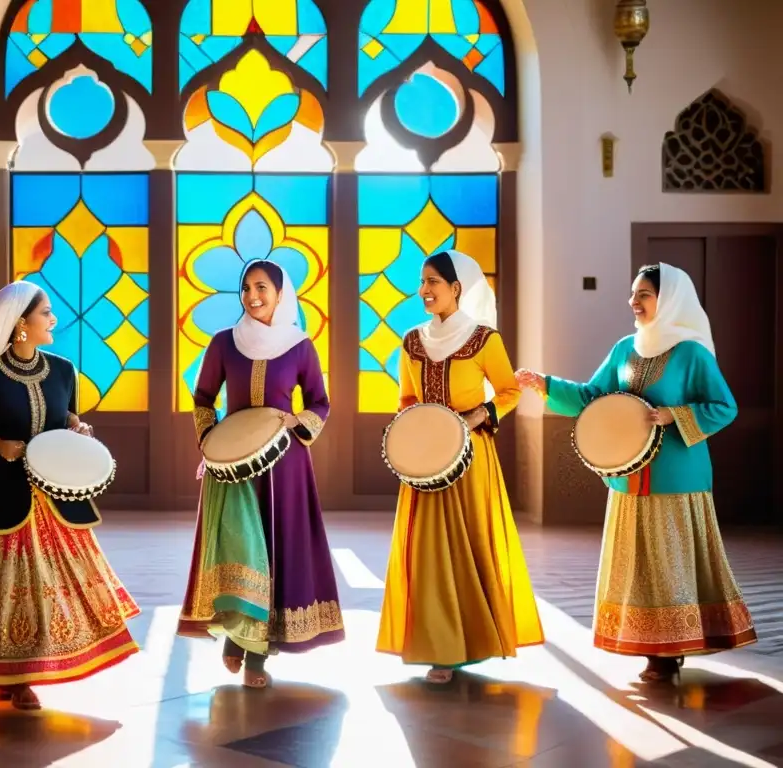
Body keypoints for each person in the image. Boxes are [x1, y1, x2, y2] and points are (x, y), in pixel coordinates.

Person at [515, 263, 756, 682]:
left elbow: (724, 407)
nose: (633, 302)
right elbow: (593, 396)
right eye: (633, 294)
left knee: (670, 563)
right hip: (628, 476)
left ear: (669, 300)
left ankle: (670, 650)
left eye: (644, 294)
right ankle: (648, 645)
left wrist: (674, 414)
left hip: (677, 477)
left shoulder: (692, 353)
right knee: (637, 566)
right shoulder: (625, 349)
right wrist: (545, 384)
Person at [0, 281, 140, 710]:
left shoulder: (63, 370)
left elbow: (67, 416)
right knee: (11, 587)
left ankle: (39, 665)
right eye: (46, 313)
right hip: (4, 497)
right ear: (20, 323)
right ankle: (14, 675)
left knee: (56, 586)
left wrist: (78, 428)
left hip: (56, 497)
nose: (53, 319)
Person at [376, 251, 544, 684]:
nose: (424, 290)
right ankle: (438, 646)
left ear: (457, 288)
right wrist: (410, 434)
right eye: (422, 281)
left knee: (470, 546)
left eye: (433, 281)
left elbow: (508, 391)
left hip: (471, 458)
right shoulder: (411, 341)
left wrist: (479, 414)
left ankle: (472, 640)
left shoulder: (484, 339)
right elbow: (406, 399)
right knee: (427, 550)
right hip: (424, 460)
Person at [178, 259, 344, 688]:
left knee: (275, 551)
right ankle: (237, 636)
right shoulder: (224, 342)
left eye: (262, 288)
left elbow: (320, 402)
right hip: (232, 469)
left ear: (280, 293)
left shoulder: (300, 345)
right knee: (240, 551)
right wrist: (211, 442)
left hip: (285, 466)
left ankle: (256, 654)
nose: (252, 296)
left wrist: (298, 422)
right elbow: (202, 397)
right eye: (246, 288)